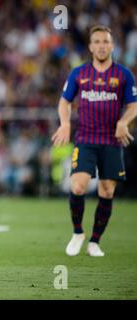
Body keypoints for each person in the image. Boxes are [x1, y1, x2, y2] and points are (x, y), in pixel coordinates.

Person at [52, 25, 137, 257]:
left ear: (112, 45)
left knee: (107, 191)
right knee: (77, 185)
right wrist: (66, 123)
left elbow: (134, 105)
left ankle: (95, 241)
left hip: (111, 141)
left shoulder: (123, 75)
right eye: (97, 41)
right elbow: (64, 102)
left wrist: (124, 122)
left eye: (105, 41)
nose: (101, 45)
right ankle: (78, 232)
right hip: (86, 139)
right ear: (90, 47)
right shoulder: (79, 73)